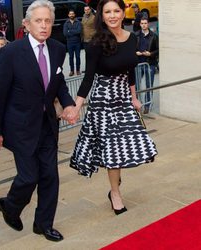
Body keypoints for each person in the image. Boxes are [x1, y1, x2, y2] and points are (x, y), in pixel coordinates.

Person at [0, 0, 75, 242]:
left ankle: (43, 225)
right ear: (26, 24)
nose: (44, 26)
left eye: (47, 20)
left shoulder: (58, 48)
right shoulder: (10, 53)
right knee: (29, 177)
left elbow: (58, 84)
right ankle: (10, 206)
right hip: (21, 128)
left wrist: (67, 103)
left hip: (48, 125)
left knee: (50, 177)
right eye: (38, 21)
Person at [64, 0, 157, 215]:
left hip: (124, 98)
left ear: (123, 13)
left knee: (129, 143)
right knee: (114, 151)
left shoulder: (131, 38)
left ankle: (116, 179)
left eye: (116, 11)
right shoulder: (96, 42)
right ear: (102, 16)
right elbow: (87, 79)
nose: (113, 15)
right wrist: (77, 107)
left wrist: (134, 97)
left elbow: (130, 70)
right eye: (108, 12)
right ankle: (115, 192)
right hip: (103, 101)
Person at [135, 17, 159, 114]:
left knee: (149, 86)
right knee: (136, 86)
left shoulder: (154, 36)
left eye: (145, 23)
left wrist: (151, 54)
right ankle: (136, 105)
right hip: (139, 64)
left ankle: (147, 106)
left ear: (148, 24)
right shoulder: (136, 35)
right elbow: (131, 48)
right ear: (140, 24)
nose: (144, 25)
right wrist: (135, 52)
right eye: (142, 23)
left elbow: (158, 50)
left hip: (150, 64)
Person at [63, 9, 82, 76]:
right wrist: (74, 31)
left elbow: (79, 31)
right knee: (71, 57)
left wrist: (70, 31)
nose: (71, 15)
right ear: (68, 15)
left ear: (74, 15)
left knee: (78, 57)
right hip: (69, 43)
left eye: (72, 14)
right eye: (70, 14)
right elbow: (65, 33)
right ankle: (71, 71)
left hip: (77, 43)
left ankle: (78, 70)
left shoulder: (78, 22)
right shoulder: (66, 23)